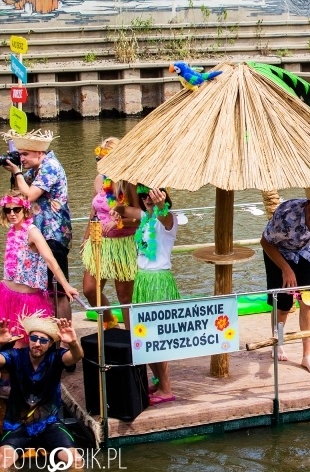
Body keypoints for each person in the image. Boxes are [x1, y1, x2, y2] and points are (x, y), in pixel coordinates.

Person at [260, 188, 310, 376]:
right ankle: (278, 342)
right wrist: (286, 269)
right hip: (278, 252)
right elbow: (265, 242)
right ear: (307, 204)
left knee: (308, 302)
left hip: (306, 252)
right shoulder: (287, 213)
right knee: (283, 305)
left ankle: (307, 355)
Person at [112, 186, 178, 405]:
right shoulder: (146, 218)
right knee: (144, 334)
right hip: (142, 279)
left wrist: (160, 205)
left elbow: (165, 216)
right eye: (143, 196)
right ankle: (158, 381)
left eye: (151, 195)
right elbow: (124, 209)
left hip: (158, 281)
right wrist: (115, 210)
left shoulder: (167, 219)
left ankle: (166, 389)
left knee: (155, 335)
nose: (146, 199)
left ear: (162, 196)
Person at [1, 129, 73, 322]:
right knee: (44, 288)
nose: (22, 158)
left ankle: (65, 335)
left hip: (54, 234)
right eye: (20, 154)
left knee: (58, 291)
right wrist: (15, 172)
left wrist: (18, 172)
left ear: (39, 153)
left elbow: (30, 196)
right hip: (37, 234)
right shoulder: (36, 169)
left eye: (25, 154)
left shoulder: (50, 167)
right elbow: (19, 196)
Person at [0, 314, 84, 470]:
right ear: (29, 339)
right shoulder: (15, 356)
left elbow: (76, 356)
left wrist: (73, 342)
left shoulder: (56, 358)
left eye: (43, 341)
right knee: (2, 464)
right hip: (17, 424)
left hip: (49, 423)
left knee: (76, 461)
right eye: (34, 338)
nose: (37, 344)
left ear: (50, 343)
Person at [0, 192, 79, 340]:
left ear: (25, 209)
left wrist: (66, 286)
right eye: (7, 210)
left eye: (16, 209)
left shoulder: (33, 232)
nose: (12, 214)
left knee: (24, 341)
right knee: (7, 339)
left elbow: (51, 260)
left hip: (28, 298)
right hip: (7, 295)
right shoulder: (12, 230)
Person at [81, 138, 138, 330]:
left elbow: (141, 217)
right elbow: (94, 210)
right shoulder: (100, 180)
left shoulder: (129, 184)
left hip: (123, 244)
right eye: (98, 159)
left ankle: (131, 339)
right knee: (89, 289)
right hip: (98, 242)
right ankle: (112, 324)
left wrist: (118, 222)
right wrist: (86, 237)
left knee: (124, 296)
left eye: (103, 159)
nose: (99, 163)